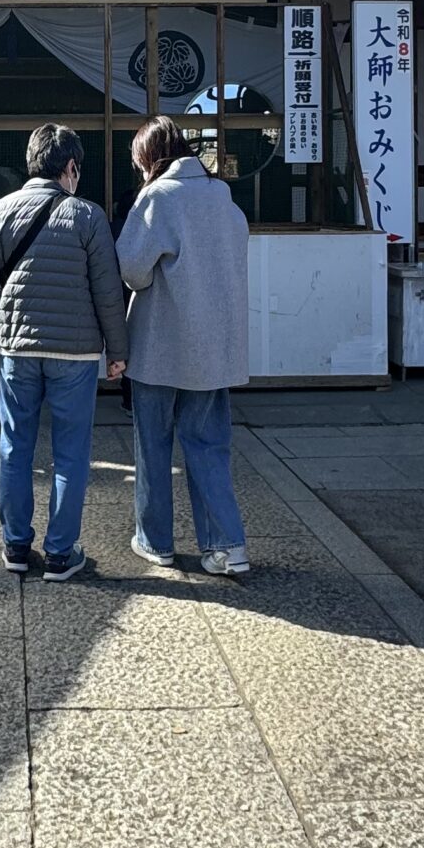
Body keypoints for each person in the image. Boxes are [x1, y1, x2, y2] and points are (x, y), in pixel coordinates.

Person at [0, 122, 128, 581]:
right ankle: (60, 552)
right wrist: (117, 351)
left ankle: (16, 546)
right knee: (71, 453)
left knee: (14, 447)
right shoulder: (88, 217)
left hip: (16, 349)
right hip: (75, 354)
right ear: (71, 167)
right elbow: (107, 292)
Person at [117, 114, 253, 576]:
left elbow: (132, 270)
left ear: (149, 157)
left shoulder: (157, 197)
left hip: (160, 346)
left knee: (153, 446)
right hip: (214, 348)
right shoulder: (223, 197)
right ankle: (226, 546)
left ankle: (156, 542)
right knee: (209, 445)